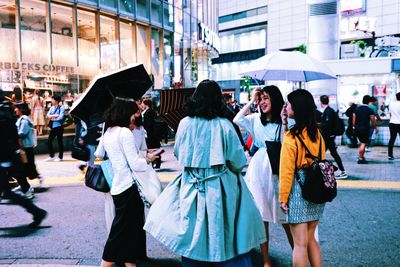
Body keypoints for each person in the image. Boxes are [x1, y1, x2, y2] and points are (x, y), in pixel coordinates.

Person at [144, 80, 266, 266]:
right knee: (227, 235)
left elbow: (179, 153)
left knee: (194, 235)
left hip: (192, 187)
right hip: (223, 189)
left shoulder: (184, 124)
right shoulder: (225, 126)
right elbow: (238, 162)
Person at [233, 85, 293, 267]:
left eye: (267, 98)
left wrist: (284, 122)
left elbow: (288, 144)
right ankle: (266, 260)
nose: (263, 102)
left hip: (278, 167)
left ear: (275, 100)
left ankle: (297, 252)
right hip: (259, 168)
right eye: (261, 98)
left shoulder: (286, 122)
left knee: (285, 217)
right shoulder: (255, 120)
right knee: (261, 216)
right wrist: (252, 100)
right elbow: (237, 119)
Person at [100, 97, 158, 267]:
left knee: (127, 232)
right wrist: (149, 158)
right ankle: (104, 264)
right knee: (120, 233)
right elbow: (136, 164)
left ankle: (129, 264)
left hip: (118, 187)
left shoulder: (109, 132)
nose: (135, 116)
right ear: (126, 112)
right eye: (134, 112)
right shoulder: (124, 133)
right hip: (129, 188)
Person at [279, 89, 326, 267]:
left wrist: (283, 197)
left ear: (297, 108)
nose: (286, 106)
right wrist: (285, 123)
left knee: (299, 244)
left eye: (288, 103)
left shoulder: (291, 137)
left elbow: (286, 170)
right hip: (317, 188)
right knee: (311, 239)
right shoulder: (318, 134)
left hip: (298, 190)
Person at [0, 89, 47, 227]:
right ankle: (36, 211)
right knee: (7, 191)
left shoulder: (3, 115)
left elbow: (8, 138)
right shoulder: (6, 113)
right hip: (9, 156)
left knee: (7, 191)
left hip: (5, 157)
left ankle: (36, 211)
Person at [15, 103, 42, 195]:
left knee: (27, 165)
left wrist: (13, 134)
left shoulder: (24, 120)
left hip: (25, 146)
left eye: (17, 108)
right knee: (26, 165)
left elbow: (22, 133)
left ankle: (27, 184)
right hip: (26, 146)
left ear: (21, 110)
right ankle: (23, 183)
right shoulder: (23, 119)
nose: (15, 110)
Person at [319, 95, 347, 179]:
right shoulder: (329, 110)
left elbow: (327, 124)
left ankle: (336, 170)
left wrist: (318, 124)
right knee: (331, 154)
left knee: (321, 154)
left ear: (321, 102)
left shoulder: (328, 111)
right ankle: (341, 171)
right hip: (329, 136)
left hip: (328, 137)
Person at [353, 95, 378, 164]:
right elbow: (373, 120)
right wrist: (375, 127)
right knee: (363, 143)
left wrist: (354, 127)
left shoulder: (357, 109)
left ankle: (361, 156)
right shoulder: (370, 110)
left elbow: (354, 120)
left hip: (357, 128)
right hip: (365, 128)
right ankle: (360, 158)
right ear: (369, 101)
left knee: (361, 143)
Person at [141, 98, 162, 168]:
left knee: (151, 148)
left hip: (150, 134)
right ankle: (157, 162)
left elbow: (148, 124)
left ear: (146, 104)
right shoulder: (152, 111)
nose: (142, 104)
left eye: (143, 103)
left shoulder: (148, 113)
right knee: (156, 148)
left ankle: (154, 163)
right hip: (155, 133)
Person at [45, 95, 65, 162]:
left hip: (59, 127)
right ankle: (51, 156)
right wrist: (55, 116)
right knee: (49, 141)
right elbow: (47, 116)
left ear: (56, 101)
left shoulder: (61, 108)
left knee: (60, 142)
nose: (51, 101)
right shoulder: (52, 108)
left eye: (52, 99)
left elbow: (61, 117)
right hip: (53, 127)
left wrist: (52, 118)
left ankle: (60, 157)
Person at [388, 92, 400, 160]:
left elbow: (390, 115)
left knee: (392, 139)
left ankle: (390, 155)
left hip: (392, 123)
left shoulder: (391, 104)